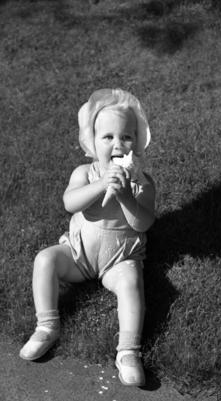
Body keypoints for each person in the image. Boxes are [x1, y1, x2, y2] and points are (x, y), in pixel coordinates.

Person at [19, 88, 156, 387]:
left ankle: (128, 351)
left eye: (126, 137)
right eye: (107, 137)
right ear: (92, 143)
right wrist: (101, 186)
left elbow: (143, 223)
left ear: (138, 143)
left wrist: (125, 197)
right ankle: (47, 325)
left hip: (119, 259)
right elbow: (70, 203)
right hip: (79, 254)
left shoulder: (142, 183)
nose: (117, 144)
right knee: (45, 260)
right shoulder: (84, 173)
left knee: (132, 283)